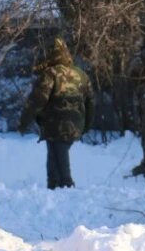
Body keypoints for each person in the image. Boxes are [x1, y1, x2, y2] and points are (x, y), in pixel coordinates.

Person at [18, 36, 95, 189]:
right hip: (76, 123)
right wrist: (87, 125)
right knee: (54, 152)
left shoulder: (51, 74)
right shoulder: (81, 74)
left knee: (58, 154)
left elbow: (38, 99)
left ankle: (67, 185)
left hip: (55, 123)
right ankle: (53, 187)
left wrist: (24, 121)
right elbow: (90, 101)